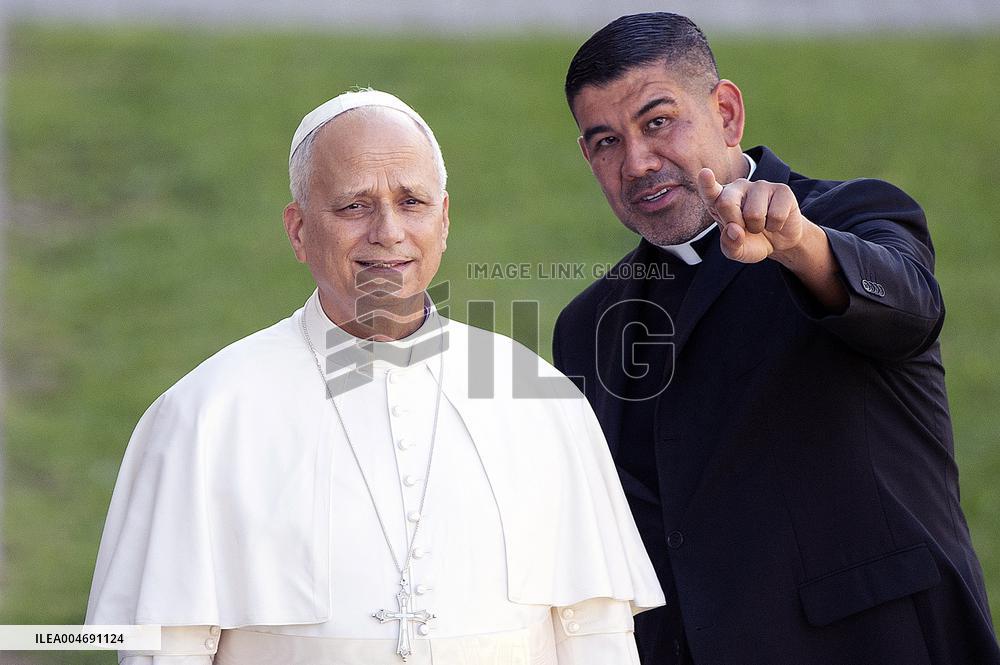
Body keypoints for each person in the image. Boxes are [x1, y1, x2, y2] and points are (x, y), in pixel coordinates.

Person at [86, 89, 664, 664]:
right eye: (354, 206)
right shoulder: (205, 414)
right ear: (298, 230)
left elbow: (596, 635)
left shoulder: (540, 401)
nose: (387, 231)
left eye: (411, 202)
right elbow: (165, 650)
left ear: (444, 220)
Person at [551, 12, 999, 665]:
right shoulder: (588, 327)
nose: (638, 162)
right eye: (605, 142)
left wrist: (801, 246)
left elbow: (909, 311)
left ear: (726, 113)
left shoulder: (853, 217)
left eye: (658, 122)